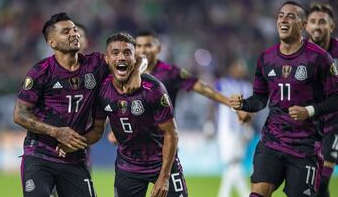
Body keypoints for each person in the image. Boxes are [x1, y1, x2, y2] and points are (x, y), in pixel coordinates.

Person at [13, 13, 146, 197]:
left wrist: (137, 72)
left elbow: (137, 58)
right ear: (52, 42)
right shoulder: (40, 72)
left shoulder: (95, 63)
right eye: (66, 31)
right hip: (40, 155)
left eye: (75, 30)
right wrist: (56, 132)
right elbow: (20, 115)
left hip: (74, 158)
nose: (74, 34)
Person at [229, 1, 338, 197]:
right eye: (281, 16)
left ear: (303, 25)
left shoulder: (320, 59)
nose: (283, 20)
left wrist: (309, 111)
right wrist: (244, 104)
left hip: (305, 148)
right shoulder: (266, 58)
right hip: (272, 141)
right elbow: (260, 99)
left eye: (290, 16)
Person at [60, 32, 188, 197]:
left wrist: (164, 177)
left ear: (135, 59)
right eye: (115, 53)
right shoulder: (101, 90)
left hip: (161, 163)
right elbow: (97, 130)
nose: (121, 57)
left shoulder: (153, 89)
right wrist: (75, 143)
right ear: (107, 59)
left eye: (127, 53)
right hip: (128, 167)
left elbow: (171, 133)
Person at [107, 30, 250, 143]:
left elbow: (204, 88)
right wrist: (116, 127)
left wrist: (233, 105)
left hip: (164, 145)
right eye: (139, 46)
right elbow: (116, 101)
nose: (143, 50)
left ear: (158, 48)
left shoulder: (171, 73)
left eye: (148, 45)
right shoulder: (125, 72)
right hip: (134, 146)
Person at [306, 3, 338, 197]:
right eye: (313, 22)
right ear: (306, 26)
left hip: (334, 124)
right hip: (308, 125)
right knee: (312, 186)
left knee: (321, 180)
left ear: (331, 26)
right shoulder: (297, 51)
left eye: (322, 22)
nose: (317, 26)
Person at [211, 58, 252, 197]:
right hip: (225, 129)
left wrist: (248, 127)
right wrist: (209, 123)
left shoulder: (246, 86)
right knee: (232, 162)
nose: (241, 70)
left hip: (240, 129)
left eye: (243, 67)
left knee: (234, 164)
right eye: (238, 66)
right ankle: (245, 194)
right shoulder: (221, 84)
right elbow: (213, 104)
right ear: (231, 68)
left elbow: (251, 109)